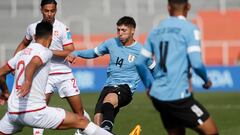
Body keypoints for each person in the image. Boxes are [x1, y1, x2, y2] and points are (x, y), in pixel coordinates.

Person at [0, 21, 112, 135]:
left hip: (13, 112)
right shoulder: (46, 52)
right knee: (82, 120)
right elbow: (33, 63)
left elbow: (1, 72)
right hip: (34, 112)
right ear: (50, 38)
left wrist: (4, 91)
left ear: (34, 36)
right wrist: (28, 81)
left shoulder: (21, 54)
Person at [135, 0, 219, 135]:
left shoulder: (156, 31)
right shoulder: (190, 29)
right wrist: (206, 80)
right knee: (212, 132)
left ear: (168, 7)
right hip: (178, 98)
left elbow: (139, 62)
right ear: (188, 6)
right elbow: (196, 63)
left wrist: (149, 86)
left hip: (158, 97)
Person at [66, 16, 155, 133]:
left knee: (108, 101)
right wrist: (76, 53)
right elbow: (93, 53)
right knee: (97, 124)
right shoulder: (111, 43)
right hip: (108, 86)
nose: (120, 33)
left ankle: (107, 131)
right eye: (118, 30)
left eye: (124, 30)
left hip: (125, 88)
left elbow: (154, 68)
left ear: (132, 30)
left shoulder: (141, 51)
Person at [14, 0, 89, 135]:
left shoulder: (62, 28)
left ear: (56, 10)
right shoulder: (33, 27)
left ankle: (82, 132)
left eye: (52, 11)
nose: (49, 14)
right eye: (47, 11)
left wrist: (47, 52)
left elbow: (70, 50)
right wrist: (15, 61)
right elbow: (23, 43)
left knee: (79, 113)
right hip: (44, 75)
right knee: (39, 110)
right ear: (41, 9)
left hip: (64, 74)